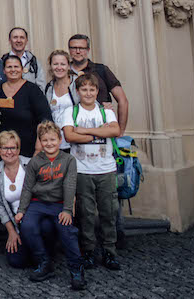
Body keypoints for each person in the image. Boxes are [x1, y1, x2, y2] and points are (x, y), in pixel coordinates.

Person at [68, 34, 131, 250]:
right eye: (73, 48)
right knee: (84, 203)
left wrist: (119, 130)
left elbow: (122, 99)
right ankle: (87, 247)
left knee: (109, 203)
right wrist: (100, 133)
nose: (77, 51)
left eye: (81, 48)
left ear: (88, 49)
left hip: (104, 146)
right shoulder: (65, 72)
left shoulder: (101, 70)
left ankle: (114, 243)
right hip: (79, 147)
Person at [61, 72, 122, 271]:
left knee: (108, 212)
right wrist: (98, 133)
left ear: (97, 91)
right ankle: (87, 250)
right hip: (82, 170)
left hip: (106, 169)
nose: (88, 93)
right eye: (84, 89)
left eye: (92, 89)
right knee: (85, 214)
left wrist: (84, 131)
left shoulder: (106, 112)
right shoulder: (71, 111)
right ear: (77, 91)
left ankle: (109, 251)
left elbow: (114, 131)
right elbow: (70, 135)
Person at [14, 121, 86, 290]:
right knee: (27, 225)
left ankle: (76, 270)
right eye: (45, 140)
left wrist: (68, 210)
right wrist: (22, 210)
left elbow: (70, 186)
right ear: (40, 141)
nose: (49, 143)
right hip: (38, 203)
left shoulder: (68, 160)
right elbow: (27, 188)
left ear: (60, 140)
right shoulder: (35, 162)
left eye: (53, 140)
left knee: (66, 229)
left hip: (59, 203)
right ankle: (44, 262)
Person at [0, 130, 34, 269]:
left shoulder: (30, 165)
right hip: (16, 220)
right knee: (16, 261)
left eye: (13, 148)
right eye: (4, 148)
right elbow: (0, 205)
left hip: (34, 214)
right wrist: (11, 231)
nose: (9, 152)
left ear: (18, 149)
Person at [0, 55, 52, 162]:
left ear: (22, 70)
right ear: (3, 70)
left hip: (28, 151)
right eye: (9, 67)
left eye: (16, 67)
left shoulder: (33, 90)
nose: (13, 70)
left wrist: (38, 148)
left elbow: (45, 119)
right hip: (3, 152)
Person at [44, 50, 77, 149]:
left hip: (76, 141)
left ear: (68, 66)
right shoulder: (49, 87)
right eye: (55, 64)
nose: (59, 67)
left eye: (62, 64)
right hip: (56, 143)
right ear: (51, 66)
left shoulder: (77, 83)